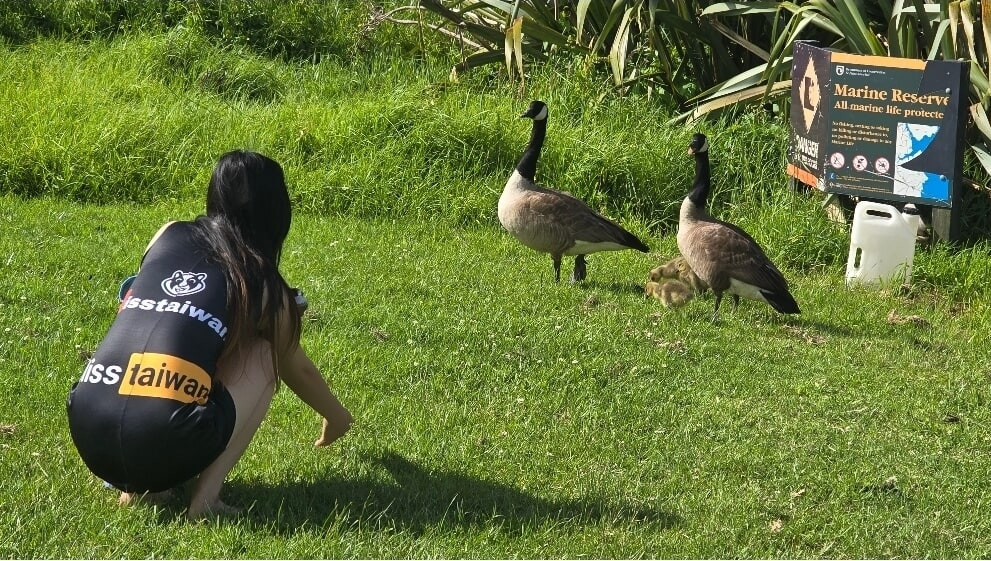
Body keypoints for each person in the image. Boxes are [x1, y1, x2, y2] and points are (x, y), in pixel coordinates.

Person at [66, 150, 353, 518]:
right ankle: (205, 502)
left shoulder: (167, 233)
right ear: (275, 212)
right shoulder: (262, 281)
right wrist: (337, 417)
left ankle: (139, 488)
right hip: (157, 433)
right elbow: (297, 368)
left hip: (89, 425)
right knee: (265, 356)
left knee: (181, 347)